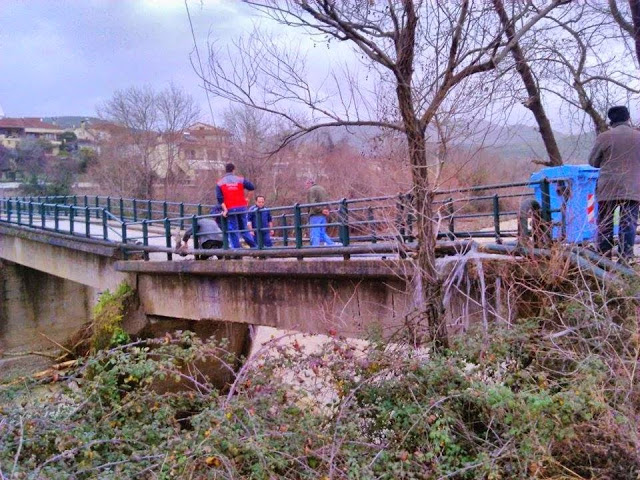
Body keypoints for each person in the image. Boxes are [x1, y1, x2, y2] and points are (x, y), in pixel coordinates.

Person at [588, 105, 640, 263]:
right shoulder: (638, 137)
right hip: (632, 187)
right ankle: (625, 261)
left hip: (607, 188)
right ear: (628, 118)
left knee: (606, 223)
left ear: (611, 121)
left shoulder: (604, 137)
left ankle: (604, 261)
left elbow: (592, 162)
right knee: (628, 223)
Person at [216, 162, 257, 249]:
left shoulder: (220, 183)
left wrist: (225, 209)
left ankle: (237, 251)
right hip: (242, 207)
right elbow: (252, 187)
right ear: (233, 170)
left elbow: (220, 199)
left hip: (230, 208)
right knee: (244, 229)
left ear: (225, 170)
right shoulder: (240, 180)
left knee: (233, 230)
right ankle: (254, 247)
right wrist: (247, 199)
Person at [305, 178, 335, 246]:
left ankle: (315, 249)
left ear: (309, 184)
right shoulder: (322, 189)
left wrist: (320, 210)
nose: (306, 187)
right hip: (323, 214)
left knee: (315, 233)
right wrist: (327, 210)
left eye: (306, 185)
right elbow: (327, 200)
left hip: (316, 214)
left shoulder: (311, 190)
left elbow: (312, 203)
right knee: (322, 232)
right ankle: (331, 244)